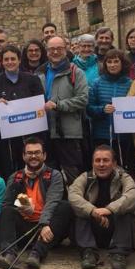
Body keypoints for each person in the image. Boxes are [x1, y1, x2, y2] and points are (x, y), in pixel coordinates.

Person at [0, 137, 72, 269]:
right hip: (25, 227)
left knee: (65, 206)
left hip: (47, 229)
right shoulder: (16, 176)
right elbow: (7, 204)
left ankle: (37, 253)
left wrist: (44, 224)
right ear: (24, 156)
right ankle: (9, 255)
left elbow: (53, 201)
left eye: (37, 152)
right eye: (29, 153)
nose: (33, 156)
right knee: (6, 211)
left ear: (44, 155)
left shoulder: (54, 175)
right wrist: (21, 204)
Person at [69, 145, 135, 269]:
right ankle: (88, 253)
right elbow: (73, 195)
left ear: (114, 163)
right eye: (97, 160)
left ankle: (119, 254)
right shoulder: (85, 177)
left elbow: (132, 196)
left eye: (106, 160)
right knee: (81, 211)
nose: (101, 164)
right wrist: (92, 211)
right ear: (92, 163)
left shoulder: (124, 177)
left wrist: (109, 209)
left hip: (116, 228)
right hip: (93, 229)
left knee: (126, 210)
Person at [0, 44, 46, 177]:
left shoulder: (32, 79)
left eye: (13, 59)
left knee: (31, 168)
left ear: (19, 60)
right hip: (5, 138)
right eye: (6, 59)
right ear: (1, 62)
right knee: (9, 169)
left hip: (30, 134)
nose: (10, 62)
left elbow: (40, 103)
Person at [40, 35, 89, 181]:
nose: (55, 52)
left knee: (73, 175)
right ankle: (59, 203)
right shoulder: (41, 72)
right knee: (50, 176)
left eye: (59, 49)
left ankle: (78, 203)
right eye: (52, 49)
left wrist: (58, 105)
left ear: (66, 49)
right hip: (47, 132)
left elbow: (83, 99)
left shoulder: (76, 72)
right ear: (47, 51)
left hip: (68, 133)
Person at [87, 49, 135, 177]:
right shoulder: (97, 83)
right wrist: (102, 109)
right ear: (105, 65)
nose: (113, 65)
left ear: (122, 64)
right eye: (109, 62)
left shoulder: (130, 83)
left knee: (123, 166)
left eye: (116, 61)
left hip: (123, 135)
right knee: (103, 167)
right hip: (102, 134)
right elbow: (89, 108)